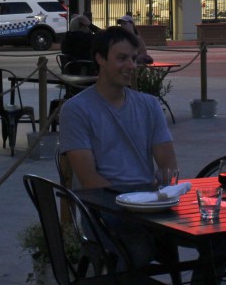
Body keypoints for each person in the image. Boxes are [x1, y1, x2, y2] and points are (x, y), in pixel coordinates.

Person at [59, 25, 179, 270]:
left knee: (220, 235)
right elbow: (89, 179)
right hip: (104, 210)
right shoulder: (76, 110)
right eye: (122, 58)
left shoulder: (149, 105)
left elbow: (168, 166)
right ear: (100, 59)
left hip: (149, 205)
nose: (131, 66)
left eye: (133, 59)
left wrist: (161, 192)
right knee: (139, 251)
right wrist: (138, 199)